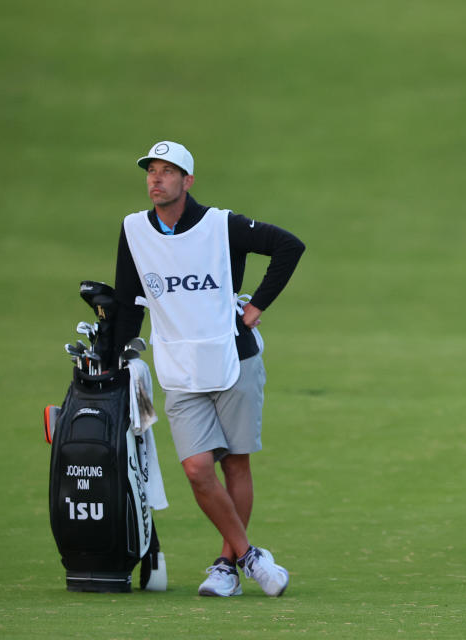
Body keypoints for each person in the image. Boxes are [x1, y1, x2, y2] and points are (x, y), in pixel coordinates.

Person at [105, 140, 305, 597]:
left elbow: (288, 246)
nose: (156, 179)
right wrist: (120, 358)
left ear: (187, 181)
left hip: (234, 358)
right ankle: (252, 557)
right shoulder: (135, 230)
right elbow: (128, 299)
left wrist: (255, 307)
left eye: (167, 171)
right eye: (151, 171)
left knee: (235, 462)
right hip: (179, 364)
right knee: (197, 469)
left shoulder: (221, 225)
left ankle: (225, 567)